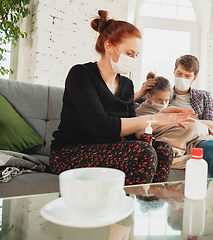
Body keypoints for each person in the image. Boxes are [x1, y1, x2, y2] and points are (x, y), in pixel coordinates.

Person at [49, 10, 194, 185]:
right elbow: (102, 126)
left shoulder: (127, 84)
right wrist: (155, 118)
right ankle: (127, 207)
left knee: (164, 150)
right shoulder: (80, 75)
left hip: (108, 151)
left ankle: (148, 205)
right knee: (144, 153)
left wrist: (162, 117)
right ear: (109, 47)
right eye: (129, 53)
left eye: (136, 55)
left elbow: (133, 130)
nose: (133, 59)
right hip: (71, 153)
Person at [135, 72, 213, 169]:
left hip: (188, 136)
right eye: (159, 99)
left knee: (193, 127)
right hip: (162, 137)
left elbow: (212, 125)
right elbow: (141, 132)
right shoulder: (141, 111)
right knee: (192, 129)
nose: (163, 103)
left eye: (166, 100)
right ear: (149, 97)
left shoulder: (171, 108)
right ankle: (175, 150)